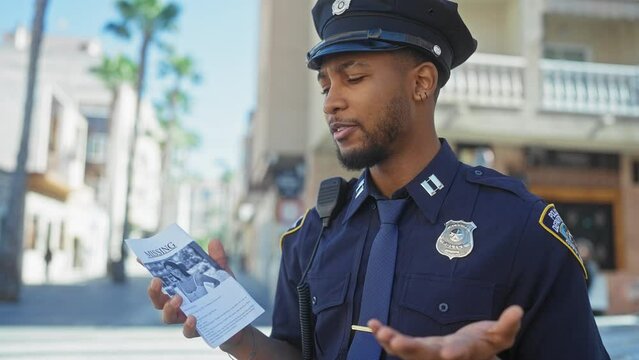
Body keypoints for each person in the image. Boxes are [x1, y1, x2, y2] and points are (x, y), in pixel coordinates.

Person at [148, 0, 610, 359]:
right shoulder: (311, 236)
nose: (331, 102)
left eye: (353, 77)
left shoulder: (519, 228)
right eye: (326, 85)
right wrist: (237, 334)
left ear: (422, 83)